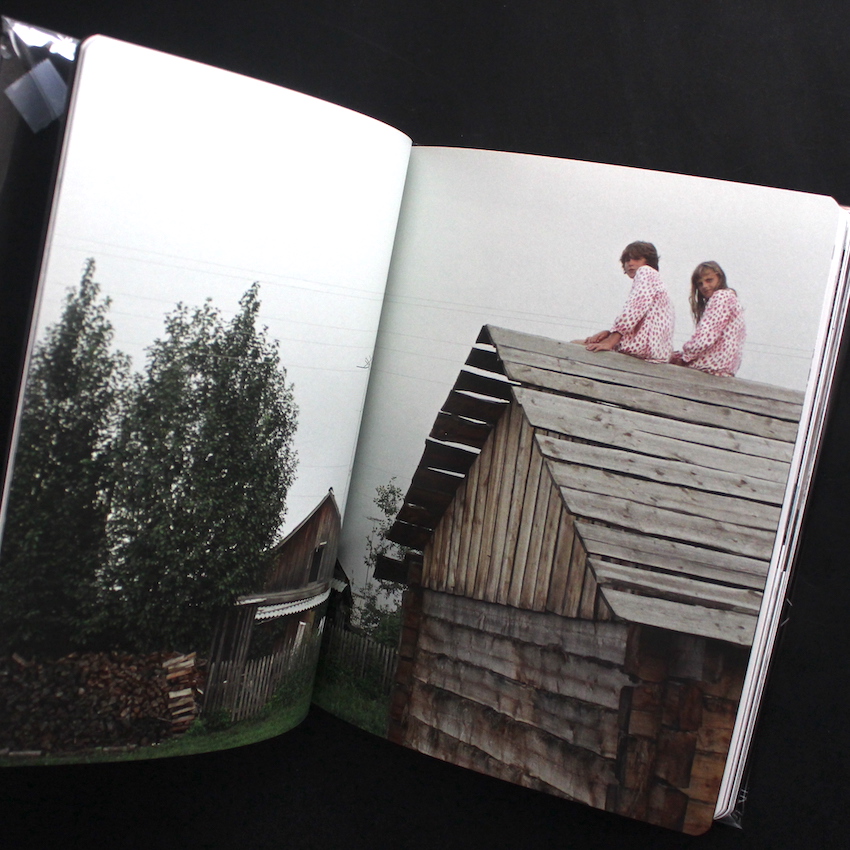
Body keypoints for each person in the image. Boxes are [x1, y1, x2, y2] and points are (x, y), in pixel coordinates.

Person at [577, 241, 675, 363]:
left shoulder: (646, 272)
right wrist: (609, 334)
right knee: (586, 342)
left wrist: (610, 341)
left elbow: (635, 309)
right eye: (627, 260)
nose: (630, 263)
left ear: (648, 261)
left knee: (577, 346)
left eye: (636, 259)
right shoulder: (657, 282)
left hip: (642, 348)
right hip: (656, 350)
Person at [671, 261, 746, 377]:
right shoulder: (732, 299)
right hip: (724, 370)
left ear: (719, 278)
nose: (705, 286)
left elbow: (705, 338)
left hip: (710, 368)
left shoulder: (721, 297)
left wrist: (684, 357)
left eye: (709, 280)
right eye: (700, 284)